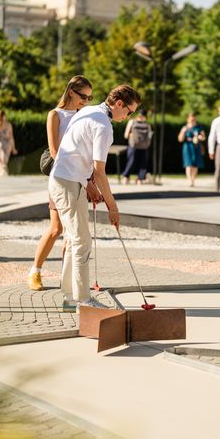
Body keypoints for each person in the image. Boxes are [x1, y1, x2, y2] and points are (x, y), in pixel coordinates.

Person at [49, 84, 141, 311]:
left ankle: (70, 298)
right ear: (119, 104)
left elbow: (78, 155)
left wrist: (90, 187)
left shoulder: (88, 111)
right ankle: (83, 301)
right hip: (68, 182)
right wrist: (113, 206)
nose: (129, 116)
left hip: (69, 180)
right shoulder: (103, 124)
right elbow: (100, 170)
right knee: (82, 241)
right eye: (129, 111)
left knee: (74, 239)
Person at [27, 75, 94, 291]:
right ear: (72, 92)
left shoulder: (83, 115)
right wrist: (75, 169)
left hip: (81, 178)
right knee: (56, 229)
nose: (86, 101)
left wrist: (89, 178)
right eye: (83, 96)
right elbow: (55, 151)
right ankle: (35, 272)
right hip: (62, 177)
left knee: (72, 233)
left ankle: (69, 280)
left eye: (90, 98)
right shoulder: (55, 115)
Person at [122, 109, 152, 184]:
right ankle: (140, 179)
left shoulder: (132, 122)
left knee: (131, 162)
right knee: (143, 163)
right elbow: (149, 136)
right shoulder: (147, 124)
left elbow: (126, 135)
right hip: (144, 146)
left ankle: (126, 177)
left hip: (133, 145)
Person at [178, 113, 206, 187]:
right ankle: (190, 180)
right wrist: (183, 132)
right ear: (188, 119)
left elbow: (203, 137)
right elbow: (180, 139)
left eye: (193, 118)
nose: (192, 120)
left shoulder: (199, 127)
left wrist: (200, 137)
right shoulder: (185, 127)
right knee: (188, 164)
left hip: (196, 146)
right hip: (187, 146)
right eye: (191, 119)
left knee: (195, 164)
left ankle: (193, 179)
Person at [0, 110, 17, 176]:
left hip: (7, 145)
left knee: (4, 161)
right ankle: (2, 173)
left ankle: (3, 173)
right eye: (3, 116)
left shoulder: (9, 125)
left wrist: (13, 148)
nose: (4, 117)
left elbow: (11, 137)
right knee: (0, 162)